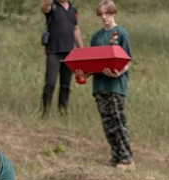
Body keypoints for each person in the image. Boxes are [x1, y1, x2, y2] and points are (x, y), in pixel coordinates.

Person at [77, 0, 133, 170]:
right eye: (101, 14)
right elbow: (93, 62)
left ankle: (127, 158)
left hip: (115, 85)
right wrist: (84, 72)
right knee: (107, 124)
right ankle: (115, 156)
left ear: (113, 13)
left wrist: (119, 72)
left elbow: (127, 60)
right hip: (99, 85)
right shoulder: (96, 36)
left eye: (107, 13)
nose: (104, 17)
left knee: (118, 121)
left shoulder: (121, 33)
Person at [40, 0, 83, 115]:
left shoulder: (72, 9)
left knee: (65, 84)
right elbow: (44, 6)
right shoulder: (52, 6)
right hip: (54, 51)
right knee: (50, 82)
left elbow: (75, 28)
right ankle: (45, 111)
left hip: (69, 52)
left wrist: (81, 49)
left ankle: (63, 110)